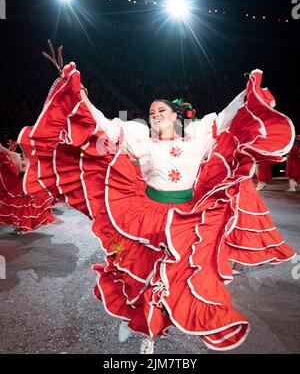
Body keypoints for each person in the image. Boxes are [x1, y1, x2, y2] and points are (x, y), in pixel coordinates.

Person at [18, 59, 296, 353]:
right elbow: (103, 125)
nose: (155, 115)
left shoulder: (196, 137)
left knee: (185, 274)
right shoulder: (141, 139)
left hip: (189, 216)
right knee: (148, 274)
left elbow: (227, 118)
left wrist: (245, 93)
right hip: (149, 216)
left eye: (161, 110)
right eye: (151, 112)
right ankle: (149, 329)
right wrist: (81, 95)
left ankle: (188, 316)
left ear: (176, 115)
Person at [0, 142, 55, 233]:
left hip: (31, 184)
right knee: (21, 207)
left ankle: (26, 225)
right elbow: (6, 152)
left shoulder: (35, 159)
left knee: (30, 206)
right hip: (21, 185)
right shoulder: (17, 157)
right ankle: (20, 226)